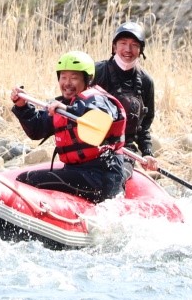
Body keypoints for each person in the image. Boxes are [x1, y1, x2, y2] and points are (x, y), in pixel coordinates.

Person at [10, 51, 130, 203]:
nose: (67, 83)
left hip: (100, 177)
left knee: (26, 179)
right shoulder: (63, 105)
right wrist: (22, 107)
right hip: (78, 173)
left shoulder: (98, 99)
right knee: (29, 177)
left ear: (87, 80)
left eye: (74, 78)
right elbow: (36, 130)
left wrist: (69, 111)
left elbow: (100, 116)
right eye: (63, 77)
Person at [94, 22, 157, 171]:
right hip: (92, 145)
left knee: (115, 174)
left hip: (123, 151)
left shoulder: (146, 82)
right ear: (114, 46)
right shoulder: (96, 72)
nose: (128, 49)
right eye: (123, 43)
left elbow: (143, 126)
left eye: (134, 45)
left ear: (141, 50)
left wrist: (147, 152)